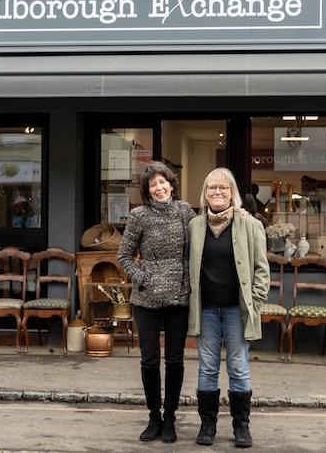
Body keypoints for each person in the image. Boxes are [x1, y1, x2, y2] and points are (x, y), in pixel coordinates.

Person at [187, 168, 270, 448]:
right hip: (207, 309)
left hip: (237, 310)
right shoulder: (195, 226)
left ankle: (241, 426)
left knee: (238, 367)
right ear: (205, 192)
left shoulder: (250, 225)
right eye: (212, 188)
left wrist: (255, 301)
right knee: (207, 369)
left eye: (224, 188)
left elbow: (262, 269)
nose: (217, 192)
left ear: (233, 192)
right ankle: (207, 424)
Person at [117, 161, 198, 443]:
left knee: (174, 360)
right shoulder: (139, 215)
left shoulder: (185, 211)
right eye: (153, 184)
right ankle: (154, 417)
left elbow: (200, 245)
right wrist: (145, 278)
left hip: (179, 297)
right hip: (146, 298)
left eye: (163, 182)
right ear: (147, 190)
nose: (159, 188)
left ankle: (170, 418)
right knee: (150, 359)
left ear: (171, 184)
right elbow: (124, 257)